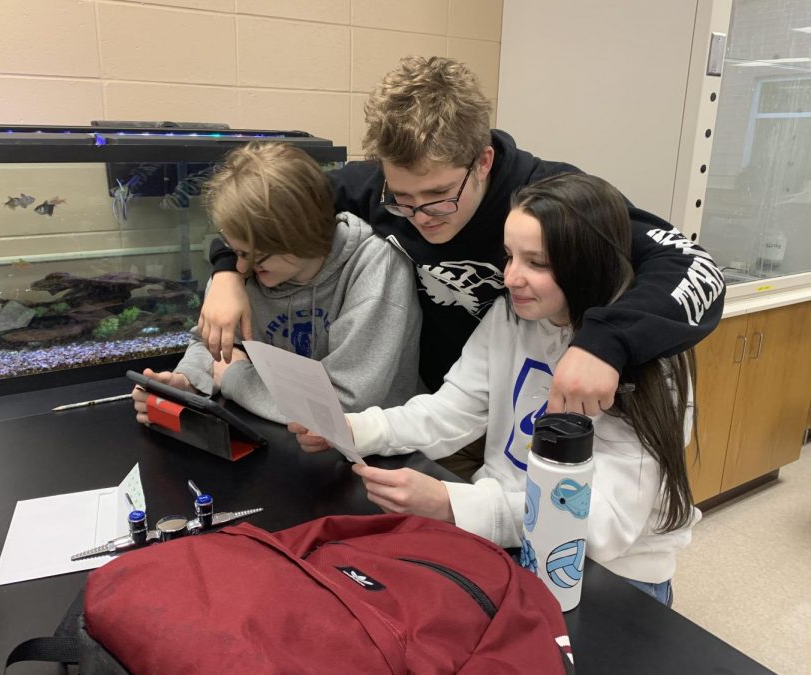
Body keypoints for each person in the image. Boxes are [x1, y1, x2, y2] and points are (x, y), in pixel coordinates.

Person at [200, 56, 724, 477]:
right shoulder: (374, 186)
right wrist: (227, 270)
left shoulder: (544, 202)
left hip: (525, 418)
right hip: (437, 414)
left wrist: (607, 342)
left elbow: (692, 264)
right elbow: (267, 213)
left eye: (438, 197)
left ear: (483, 162)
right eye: (401, 199)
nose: (418, 216)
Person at [298, 173, 700, 605]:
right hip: (506, 537)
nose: (510, 278)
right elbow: (451, 410)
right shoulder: (512, 315)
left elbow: (604, 524)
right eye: (508, 256)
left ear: (590, 263)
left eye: (537, 263)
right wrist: (356, 428)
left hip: (609, 572)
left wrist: (454, 504)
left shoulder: (651, 361)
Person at [132, 142, 422, 425]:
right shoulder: (238, 272)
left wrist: (235, 377)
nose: (241, 267)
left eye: (254, 257)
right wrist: (188, 383)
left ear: (299, 239)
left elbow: (344, 406)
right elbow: (212, 345)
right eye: (236, 252)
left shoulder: (375, 266)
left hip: (375, 452)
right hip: (276, 434)